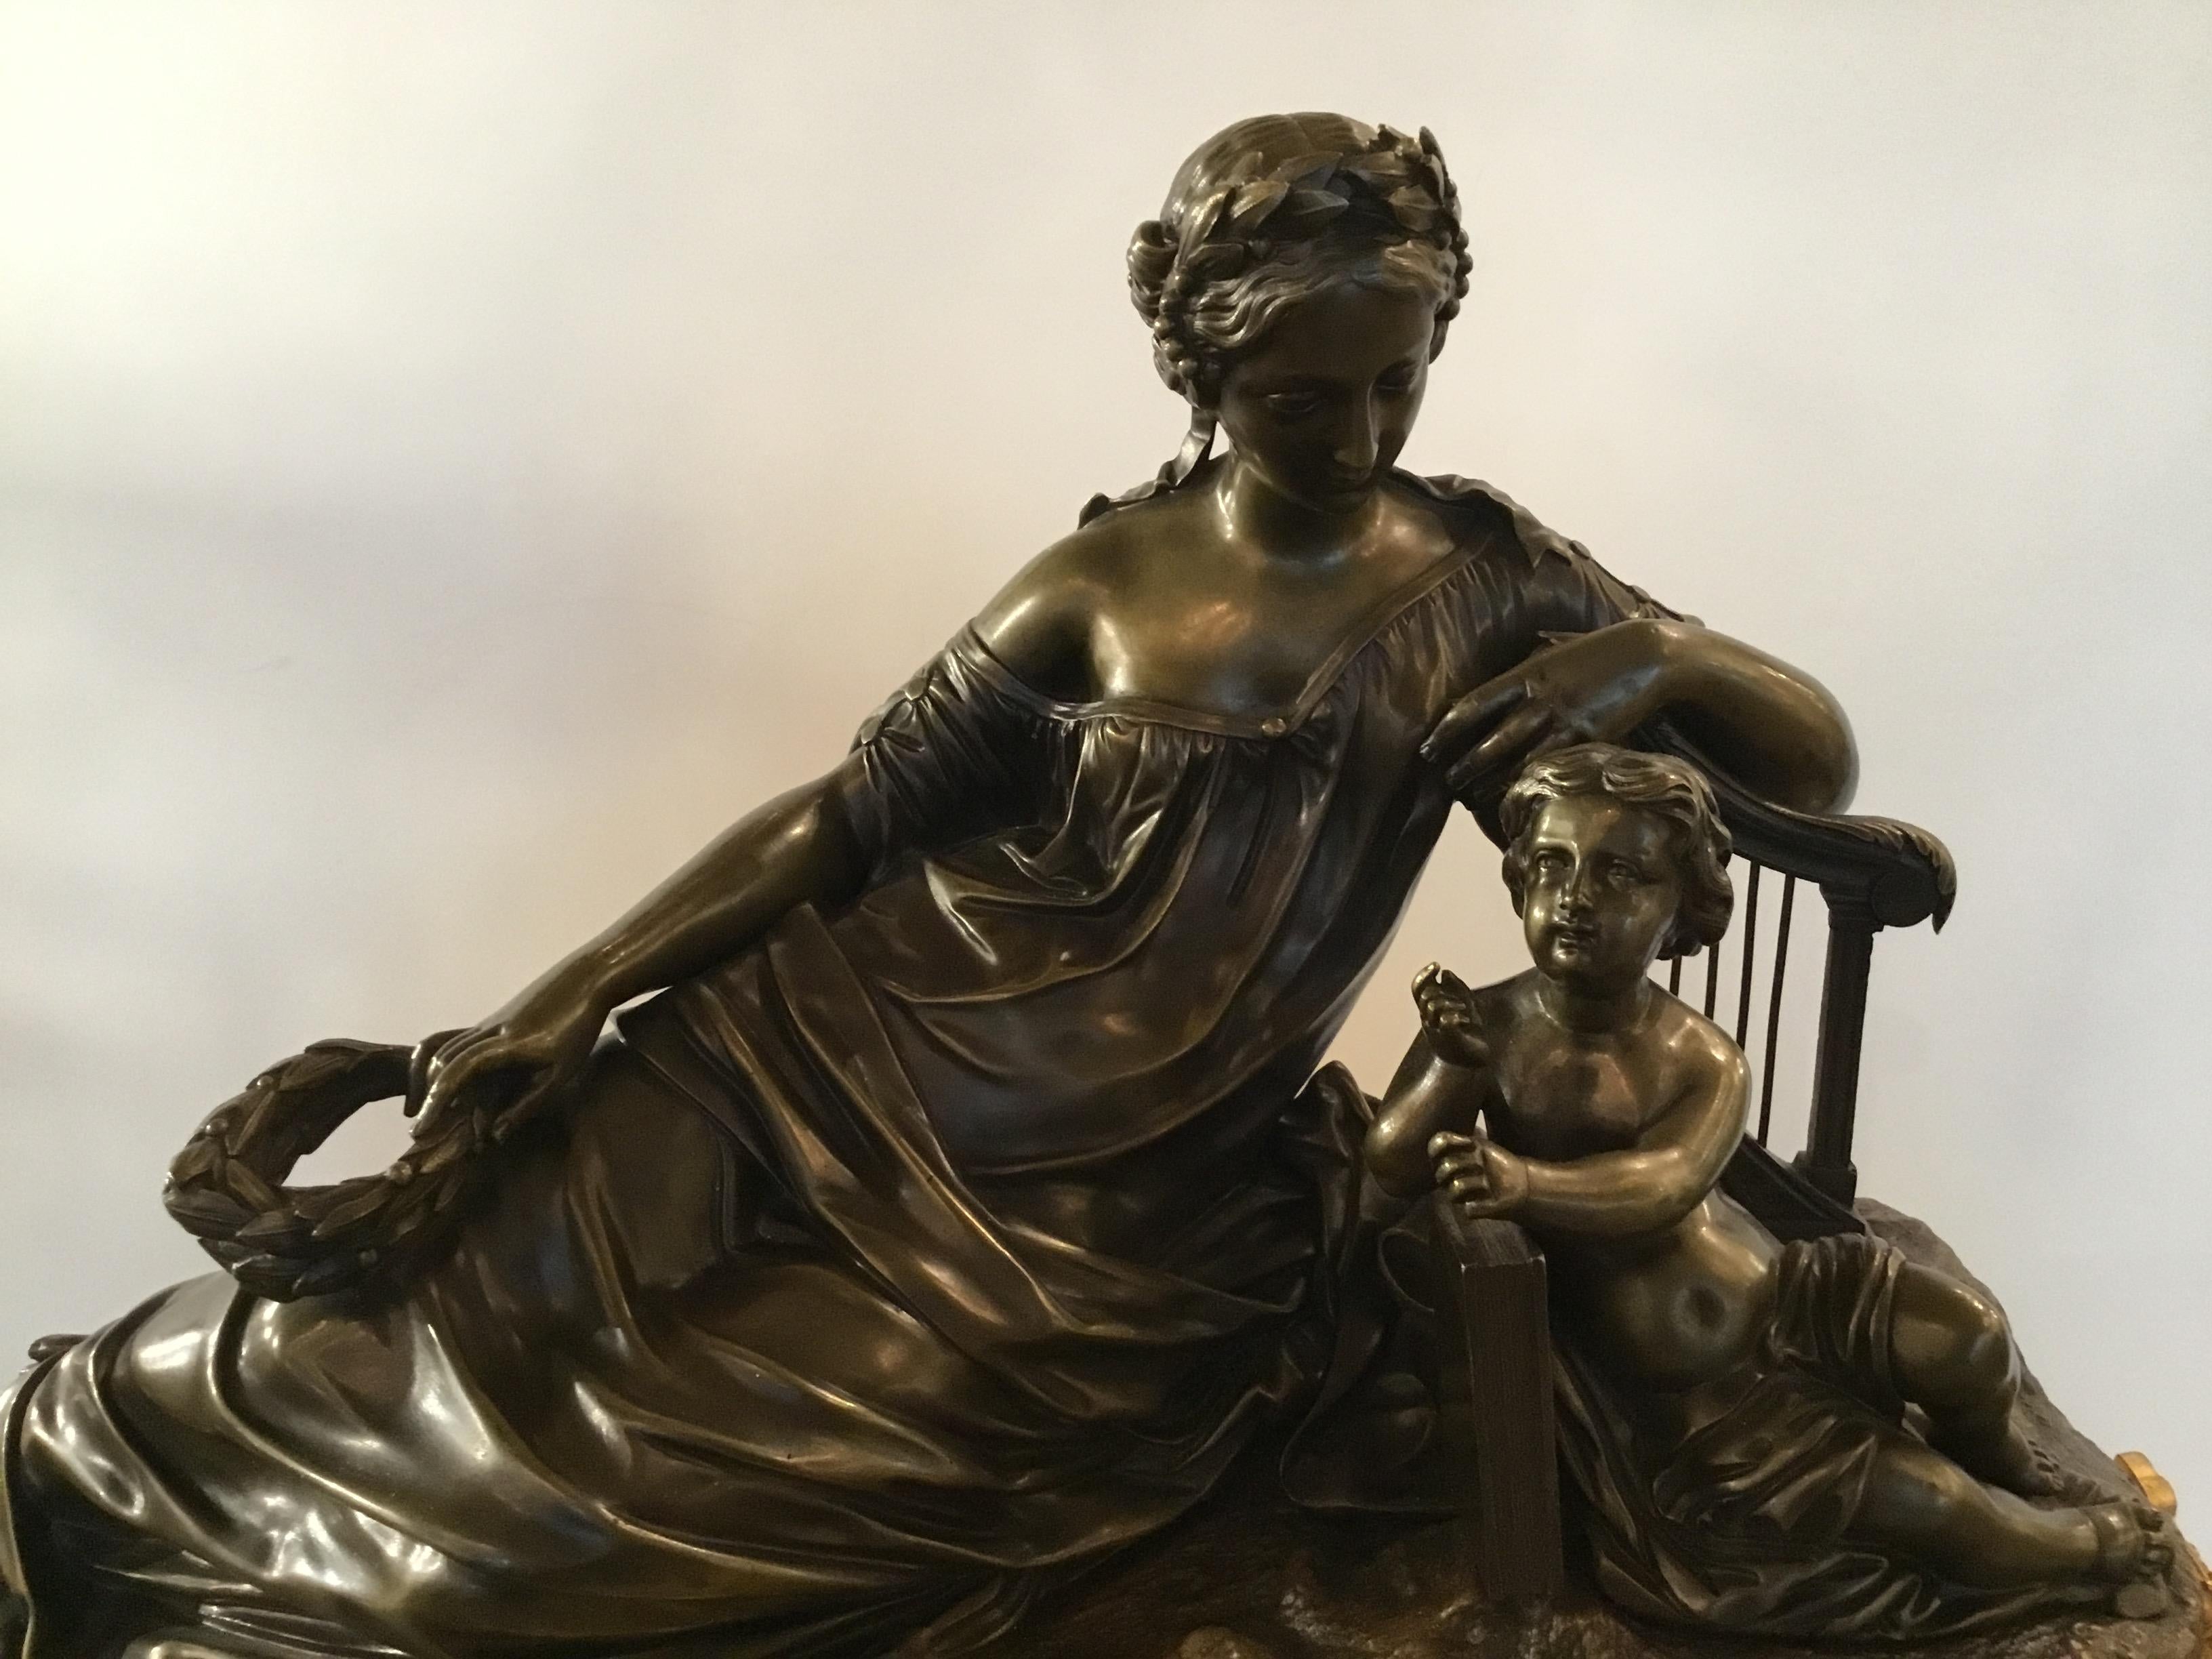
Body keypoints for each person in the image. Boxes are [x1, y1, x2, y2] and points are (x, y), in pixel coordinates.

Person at [0, 115, 1857, 1658]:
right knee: (457, 1283)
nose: (1364, 433)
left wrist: (1660, 657)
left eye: (1399, 380)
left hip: (1118, 1196)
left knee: (613, 1516)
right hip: (850, 1025)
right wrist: (568, 994)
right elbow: (847, 822)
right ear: (1204, 372)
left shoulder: (1495, 577)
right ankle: (93, 1470)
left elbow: (1812, 764)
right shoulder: (1106, 577)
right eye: (1305, 398)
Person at [1364, 743, 2172, 1639]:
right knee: (1935, 1507)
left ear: (1685, 911)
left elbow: (1664, 1186)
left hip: (1794, 1296)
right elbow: (1390, 1162)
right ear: (1519, 881)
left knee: (1971, 1338)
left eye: (1621, 874)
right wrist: (1446, 1070)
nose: (1577, 896)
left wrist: (1524, 1180)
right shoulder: (1489, 1026)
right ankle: (2095, 1549)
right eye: (1552, 865)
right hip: (1702, 1402)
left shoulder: (1702, 1057)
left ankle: (2008, 1459)